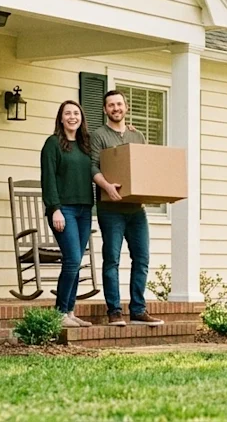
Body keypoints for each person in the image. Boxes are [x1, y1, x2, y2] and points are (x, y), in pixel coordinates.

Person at [91, 89, 164, 327]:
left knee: (141, 258)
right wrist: (107, 187)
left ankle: (138, 310)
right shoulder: (98, 136)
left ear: (126, 107)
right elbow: (92, 167)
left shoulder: (137, 135)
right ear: (105, 110)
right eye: (111, 105)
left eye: (119, 104)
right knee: (111, 259)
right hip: (110, 208)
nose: (116, 108)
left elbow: (144, 166)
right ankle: (114, 311)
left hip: (135, 209)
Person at [40, 100, 96, 328]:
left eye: (76, 113)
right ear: (61, 118)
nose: (72, 117)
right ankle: (60, 312)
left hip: (85, 209)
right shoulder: (52, 144)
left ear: (81, 117)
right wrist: (55, 209)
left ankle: (70, 312)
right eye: (67, 113)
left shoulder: (87, 145)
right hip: (64, 210)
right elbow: (48, 179)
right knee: (72, 259)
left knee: (76, 260)